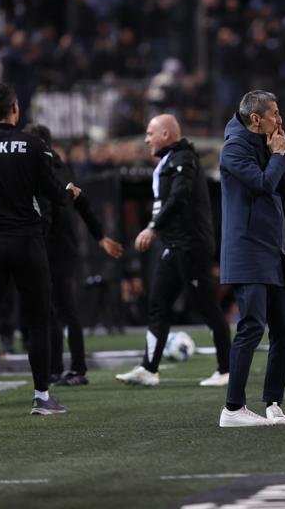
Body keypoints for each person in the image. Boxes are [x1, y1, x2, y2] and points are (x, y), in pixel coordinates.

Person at [0, 83, 81, 418]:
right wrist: (69, 193)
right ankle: (41, 396)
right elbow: (53, 192)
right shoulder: (33, 145)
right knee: (38, 321)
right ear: (15, 108)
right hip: (27, 242)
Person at [115, 114, 232, 388]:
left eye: (150, 133)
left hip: (191, 246)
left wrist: (152, 227)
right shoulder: (168, 161)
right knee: (157, 305)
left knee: (207, 306)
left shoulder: (184, 159)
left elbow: (179, 197)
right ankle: (149, 369)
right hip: (173, 246)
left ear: (166, 135)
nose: (146, 140)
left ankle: (227, 369)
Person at [218, 90, 285, 427]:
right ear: (255, 119)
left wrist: (278, 154)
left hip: (273, 250)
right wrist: (276, 156)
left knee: (283, 332)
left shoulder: (265, 145)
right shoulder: (233, 149)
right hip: (248, 250)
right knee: (251, 327)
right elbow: (264, 184)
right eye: (274, 113)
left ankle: (274, 403)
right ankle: (233, 409)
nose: (279, 119)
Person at [23, 123, 123, 387]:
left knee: (61, 309)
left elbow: (57, 209)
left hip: (54, 248)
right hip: (59, 247)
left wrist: (99, 236)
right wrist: (99, 236)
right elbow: (82, 203)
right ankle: (57, 369)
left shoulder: (45, 169)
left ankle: (76, 368)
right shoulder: (60, 167)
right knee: (55, 310)